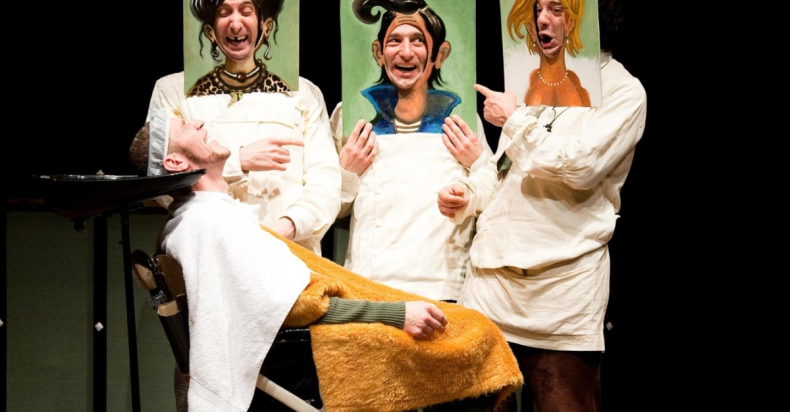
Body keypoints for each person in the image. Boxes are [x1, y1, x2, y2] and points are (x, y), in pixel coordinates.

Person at [128, 111, 522, 412]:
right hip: (305, 354)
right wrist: (396, 314)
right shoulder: (208, 222)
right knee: (474, 338)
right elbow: (296, 307)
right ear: (175, 163)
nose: (198, 121)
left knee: (468, 329)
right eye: (186, 127)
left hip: (305, 340)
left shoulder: (204, 216)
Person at [437, 0, 646, 408]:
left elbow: (580, 166)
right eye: (537, 9)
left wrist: (513, 120)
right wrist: (469, 194)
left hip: (559, 297)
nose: (542, 20)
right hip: (490, 289)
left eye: (557, 8)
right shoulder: (533, 81)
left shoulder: (622, 90)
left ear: (588, 13)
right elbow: (505, 172)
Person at [148, 0, 341, 254]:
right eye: (224, 13)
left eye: (246, 11)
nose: (235, 23)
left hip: (290, 253)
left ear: (265, 26)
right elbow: (159, 180)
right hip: (209, 249)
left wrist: (288, 226)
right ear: (210, 31)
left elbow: (326, 180)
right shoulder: (173, 91)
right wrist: (236, 161)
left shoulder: (303, 93)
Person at [332, 0, 491, 301]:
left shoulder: (462, 123)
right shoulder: (350, 118)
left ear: (439, 54)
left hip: (444, 287)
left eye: (417, 40)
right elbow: (328, 207)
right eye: (395, 40)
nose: (406, 52)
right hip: (370, 284)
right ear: (378, 52)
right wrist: (347, 172)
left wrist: (477, 166)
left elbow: (493, 192)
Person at [508, 0, 591, 106]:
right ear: (530, 28)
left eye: (556, 10)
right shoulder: (520, 87)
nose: (542, 19)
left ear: (569, 24)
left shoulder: (580, 93)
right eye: (538, 10)